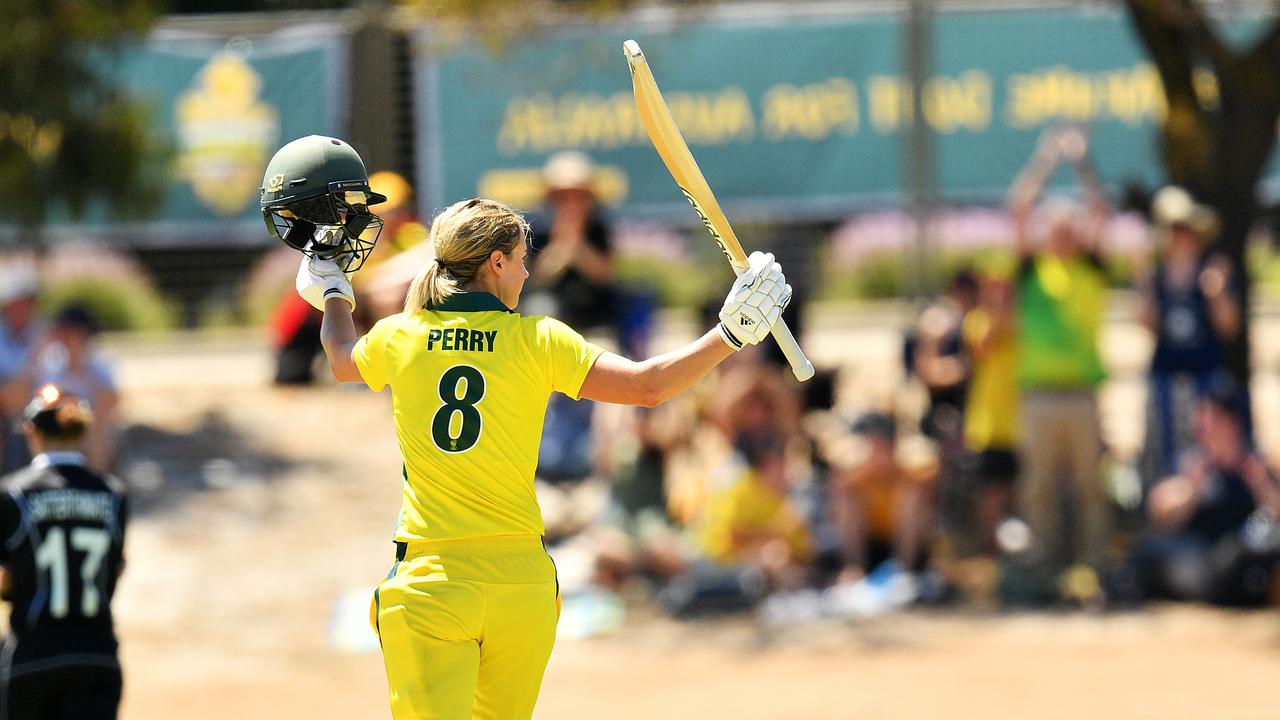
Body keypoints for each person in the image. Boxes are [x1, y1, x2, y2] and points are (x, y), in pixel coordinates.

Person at [260, 135, 793, 719]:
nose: (525, 271)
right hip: (522, 587)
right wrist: (732, 332)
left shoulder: (402, 335)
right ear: (495, 263)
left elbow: (340, 358)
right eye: (520, 259)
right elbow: (649, 385)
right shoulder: (539, 340)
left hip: (433, 581)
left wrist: (333, 290)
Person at [1006, 126, 1112, 590]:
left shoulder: (1091, 269)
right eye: (1058, 229)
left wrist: (1084, 164)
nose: (1066, 235)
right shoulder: (1032, 271)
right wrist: (1046, 160)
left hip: (1083, 395)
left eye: (1071, 228)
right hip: (1040, 397)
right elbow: (1019, 208)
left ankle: (1094, 567)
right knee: (1040, 490)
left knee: (1092, 488)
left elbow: (1101, 211)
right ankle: (1044, 570)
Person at [0, 385, 129, 720]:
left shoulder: (13, 494)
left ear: (31, 431)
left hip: (33, 655)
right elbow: (115, 569)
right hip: (97, 654)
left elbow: (5, 580)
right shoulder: (113, 494)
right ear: (82, 430)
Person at [1131, 377, 1280, 606]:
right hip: (1204, 562)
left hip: (1246, 559)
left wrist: (1260, 484)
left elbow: (1275, 516)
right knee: (1155, 550)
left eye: (1208, 417)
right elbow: (1158, 511)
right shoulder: (1194, 464)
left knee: (1252, 544)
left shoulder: (1253, 465)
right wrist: (1191, 488)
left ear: (1230, 422)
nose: (1200, 424)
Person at [1137, 186, 1240, 487]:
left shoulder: (1211, 272)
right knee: (1166, 445)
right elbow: (1149, 327)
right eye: (1175, 230)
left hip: (1204, 376)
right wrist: (1143, 292)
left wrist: (1218, 296)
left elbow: (1228, 328)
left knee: (1205, 442)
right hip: (1167, 377)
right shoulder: (1156, 276)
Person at [962, 268, 1020, 555]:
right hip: (992, 421)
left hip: (1020, 419)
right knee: (993, 490)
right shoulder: (976, 320)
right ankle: (990, 552)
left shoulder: (1023, 317)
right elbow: (988, 342)